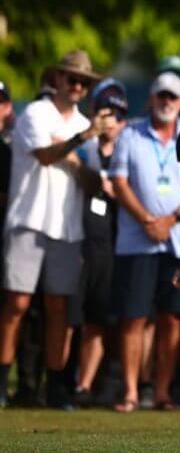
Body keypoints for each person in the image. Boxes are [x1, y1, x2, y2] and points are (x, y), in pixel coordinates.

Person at [0, 50, 103, 410]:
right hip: (28, 219)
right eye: (71, 79)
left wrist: (80, 157)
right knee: (17, 304)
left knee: (58, 306)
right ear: (57, 79)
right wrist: (79, 142)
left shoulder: (84, 123)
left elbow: (95, 184)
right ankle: (3, 383)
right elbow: (44, 155)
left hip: (66, 227)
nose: (77, 86)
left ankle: (56, 387)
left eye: (83, 82)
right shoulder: (35, 113)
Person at [109, 72, 180, 412]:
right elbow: (118, 180)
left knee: (172, 317)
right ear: (152, 98)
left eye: (173, 96)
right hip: (136, 241)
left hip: (175, 241)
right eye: (162, 96)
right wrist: (146, 219)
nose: (167, 102)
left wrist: (170, 220)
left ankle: (161, 391)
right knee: (134, 317)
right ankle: (130, 391)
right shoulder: (131, 133)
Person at [69, 80, 127, 405]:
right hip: (80, 241)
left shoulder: (126, 151)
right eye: (106, 113)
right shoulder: (85, 148)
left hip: (113, 245)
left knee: (101, 321)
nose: (111, 122)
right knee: (75, 319)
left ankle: (89, 385)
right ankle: (69, 382)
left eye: (117, 115)